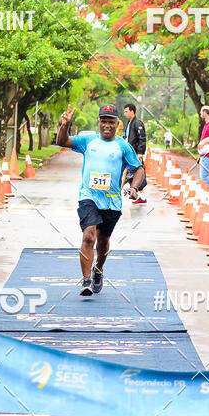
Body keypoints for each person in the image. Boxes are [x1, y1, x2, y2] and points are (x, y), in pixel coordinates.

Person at [56, 102, 144, 297]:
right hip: (88, 197)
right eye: (103, 121)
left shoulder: (123, 146)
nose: (107, 125)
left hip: (112, 202)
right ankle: (86, 281)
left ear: (118, 124)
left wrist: (134, 187)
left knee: (103, 241)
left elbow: (139, 169)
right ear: (99, 122)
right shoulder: (88, 141)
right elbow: (63, 141)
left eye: (111, 122)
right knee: (89, 235)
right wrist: (64, 125)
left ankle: (98, 269)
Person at [123, 103, 147, 204]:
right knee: (131, 174)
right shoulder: (130, 123)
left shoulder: (137, 123)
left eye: (126, 111)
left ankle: (119, 192)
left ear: (132, 111)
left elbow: (142, 138)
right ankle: (141, 196)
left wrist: (140, 153)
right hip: (129, 153)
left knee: (130, 173)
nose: (124, 114)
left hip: (135, 154)